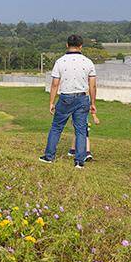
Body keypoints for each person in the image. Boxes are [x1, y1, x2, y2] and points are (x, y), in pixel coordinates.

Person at [39, 35, 97, 168]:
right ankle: (79, 161)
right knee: (81, 130)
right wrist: (93, 103)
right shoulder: (88, 62)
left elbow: (54, 84)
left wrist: (51, 102)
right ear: (81, 46)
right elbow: (92, 85)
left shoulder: (60, 62)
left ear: (67, 45)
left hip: (65, 98)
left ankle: (49, 156)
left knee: (56, 127)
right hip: (83, 98)